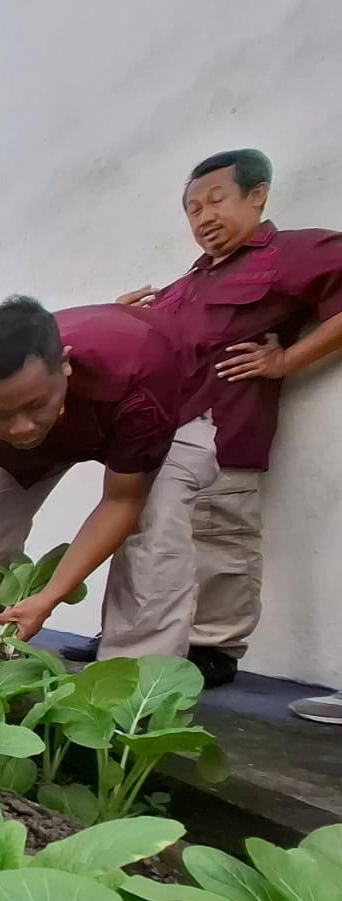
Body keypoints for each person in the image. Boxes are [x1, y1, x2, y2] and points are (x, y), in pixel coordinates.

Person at [67, 150, 342, 703]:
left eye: (216, 201)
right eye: (193, 210)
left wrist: (286, 360)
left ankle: (213, 647)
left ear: (257, 194)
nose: (203, 218)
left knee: (219, 540)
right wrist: (122, 316)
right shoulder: (187, 283)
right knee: (140, 538)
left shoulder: (290, 253)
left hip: (227, 431)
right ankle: (129, 638)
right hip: (160, 436)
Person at [0, 296, 217, 664]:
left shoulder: (138, 367)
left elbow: (122, 501)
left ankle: (134, 692)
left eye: (35, 405)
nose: (21, 428)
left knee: (157, 527)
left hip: (165, 411)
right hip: (47, 437)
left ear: (65, 365)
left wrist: (49, 597)